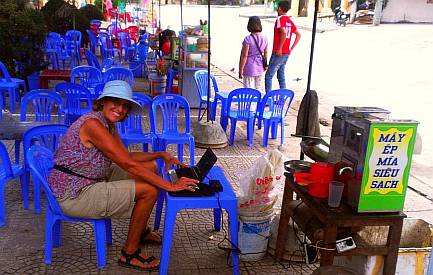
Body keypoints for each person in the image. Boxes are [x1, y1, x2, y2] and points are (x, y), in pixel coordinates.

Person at [47, 80, 198, 270]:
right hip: (74, 193)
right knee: (150, 191)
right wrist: (169, 185)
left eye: (125, 106)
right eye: (115, 102)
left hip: (90, 179)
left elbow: (125, 156)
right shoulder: (93, 124)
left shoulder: (107, 124)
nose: (120, 109)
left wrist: (162, 154)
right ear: (103, 102)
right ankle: (129, 254)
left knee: (150, 167)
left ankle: (140, 231)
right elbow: (127, 163)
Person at [264, 0, 301, 93]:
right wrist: (291, 48)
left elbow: (284, 33)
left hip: (278, 52)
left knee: (269, 76)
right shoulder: (289, 20)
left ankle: (268, 99)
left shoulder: (280, 19)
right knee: (281, 75)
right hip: (286, 52)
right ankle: (283, 96)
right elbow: (298, 35)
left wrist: (280, 48)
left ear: (279, 8)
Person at [238, 16, 268, 93]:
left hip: (249, 67)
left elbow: (244, 56)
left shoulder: (248, 39)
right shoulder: (264, 38)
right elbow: (266, 53)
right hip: (260, 66)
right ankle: (257, 104)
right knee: (258, 89)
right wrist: (265, 65)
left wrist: (240, 70)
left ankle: (250, 105)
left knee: (248, 90)